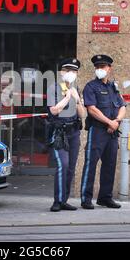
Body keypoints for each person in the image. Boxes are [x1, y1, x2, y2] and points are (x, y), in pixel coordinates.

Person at [80, 54, 127, 209]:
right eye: (97, 67)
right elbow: (92, 109)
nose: (100, 69)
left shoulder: (114, 87)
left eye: (103, 67)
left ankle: (105, 197)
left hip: (112, 132)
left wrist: (117, 122)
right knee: (90, 164)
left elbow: (122, 106)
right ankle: (86, 199)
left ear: (109, 69)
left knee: (110, 165)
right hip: (98, 131)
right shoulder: (91, 87)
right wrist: (110, 122)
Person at [46, 58, 87, 212]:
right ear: (61, 72)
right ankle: (57, 201)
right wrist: (68, 97)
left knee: (70, 167)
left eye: (74, 71)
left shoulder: (77, 88)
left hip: (74, 132)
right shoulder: (54, 88)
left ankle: (64, 200)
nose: (71, 73)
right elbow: (54, 110)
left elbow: (82, 114)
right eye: (67, 70)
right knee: (62, 165)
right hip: (59, 132)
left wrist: (77, 101)